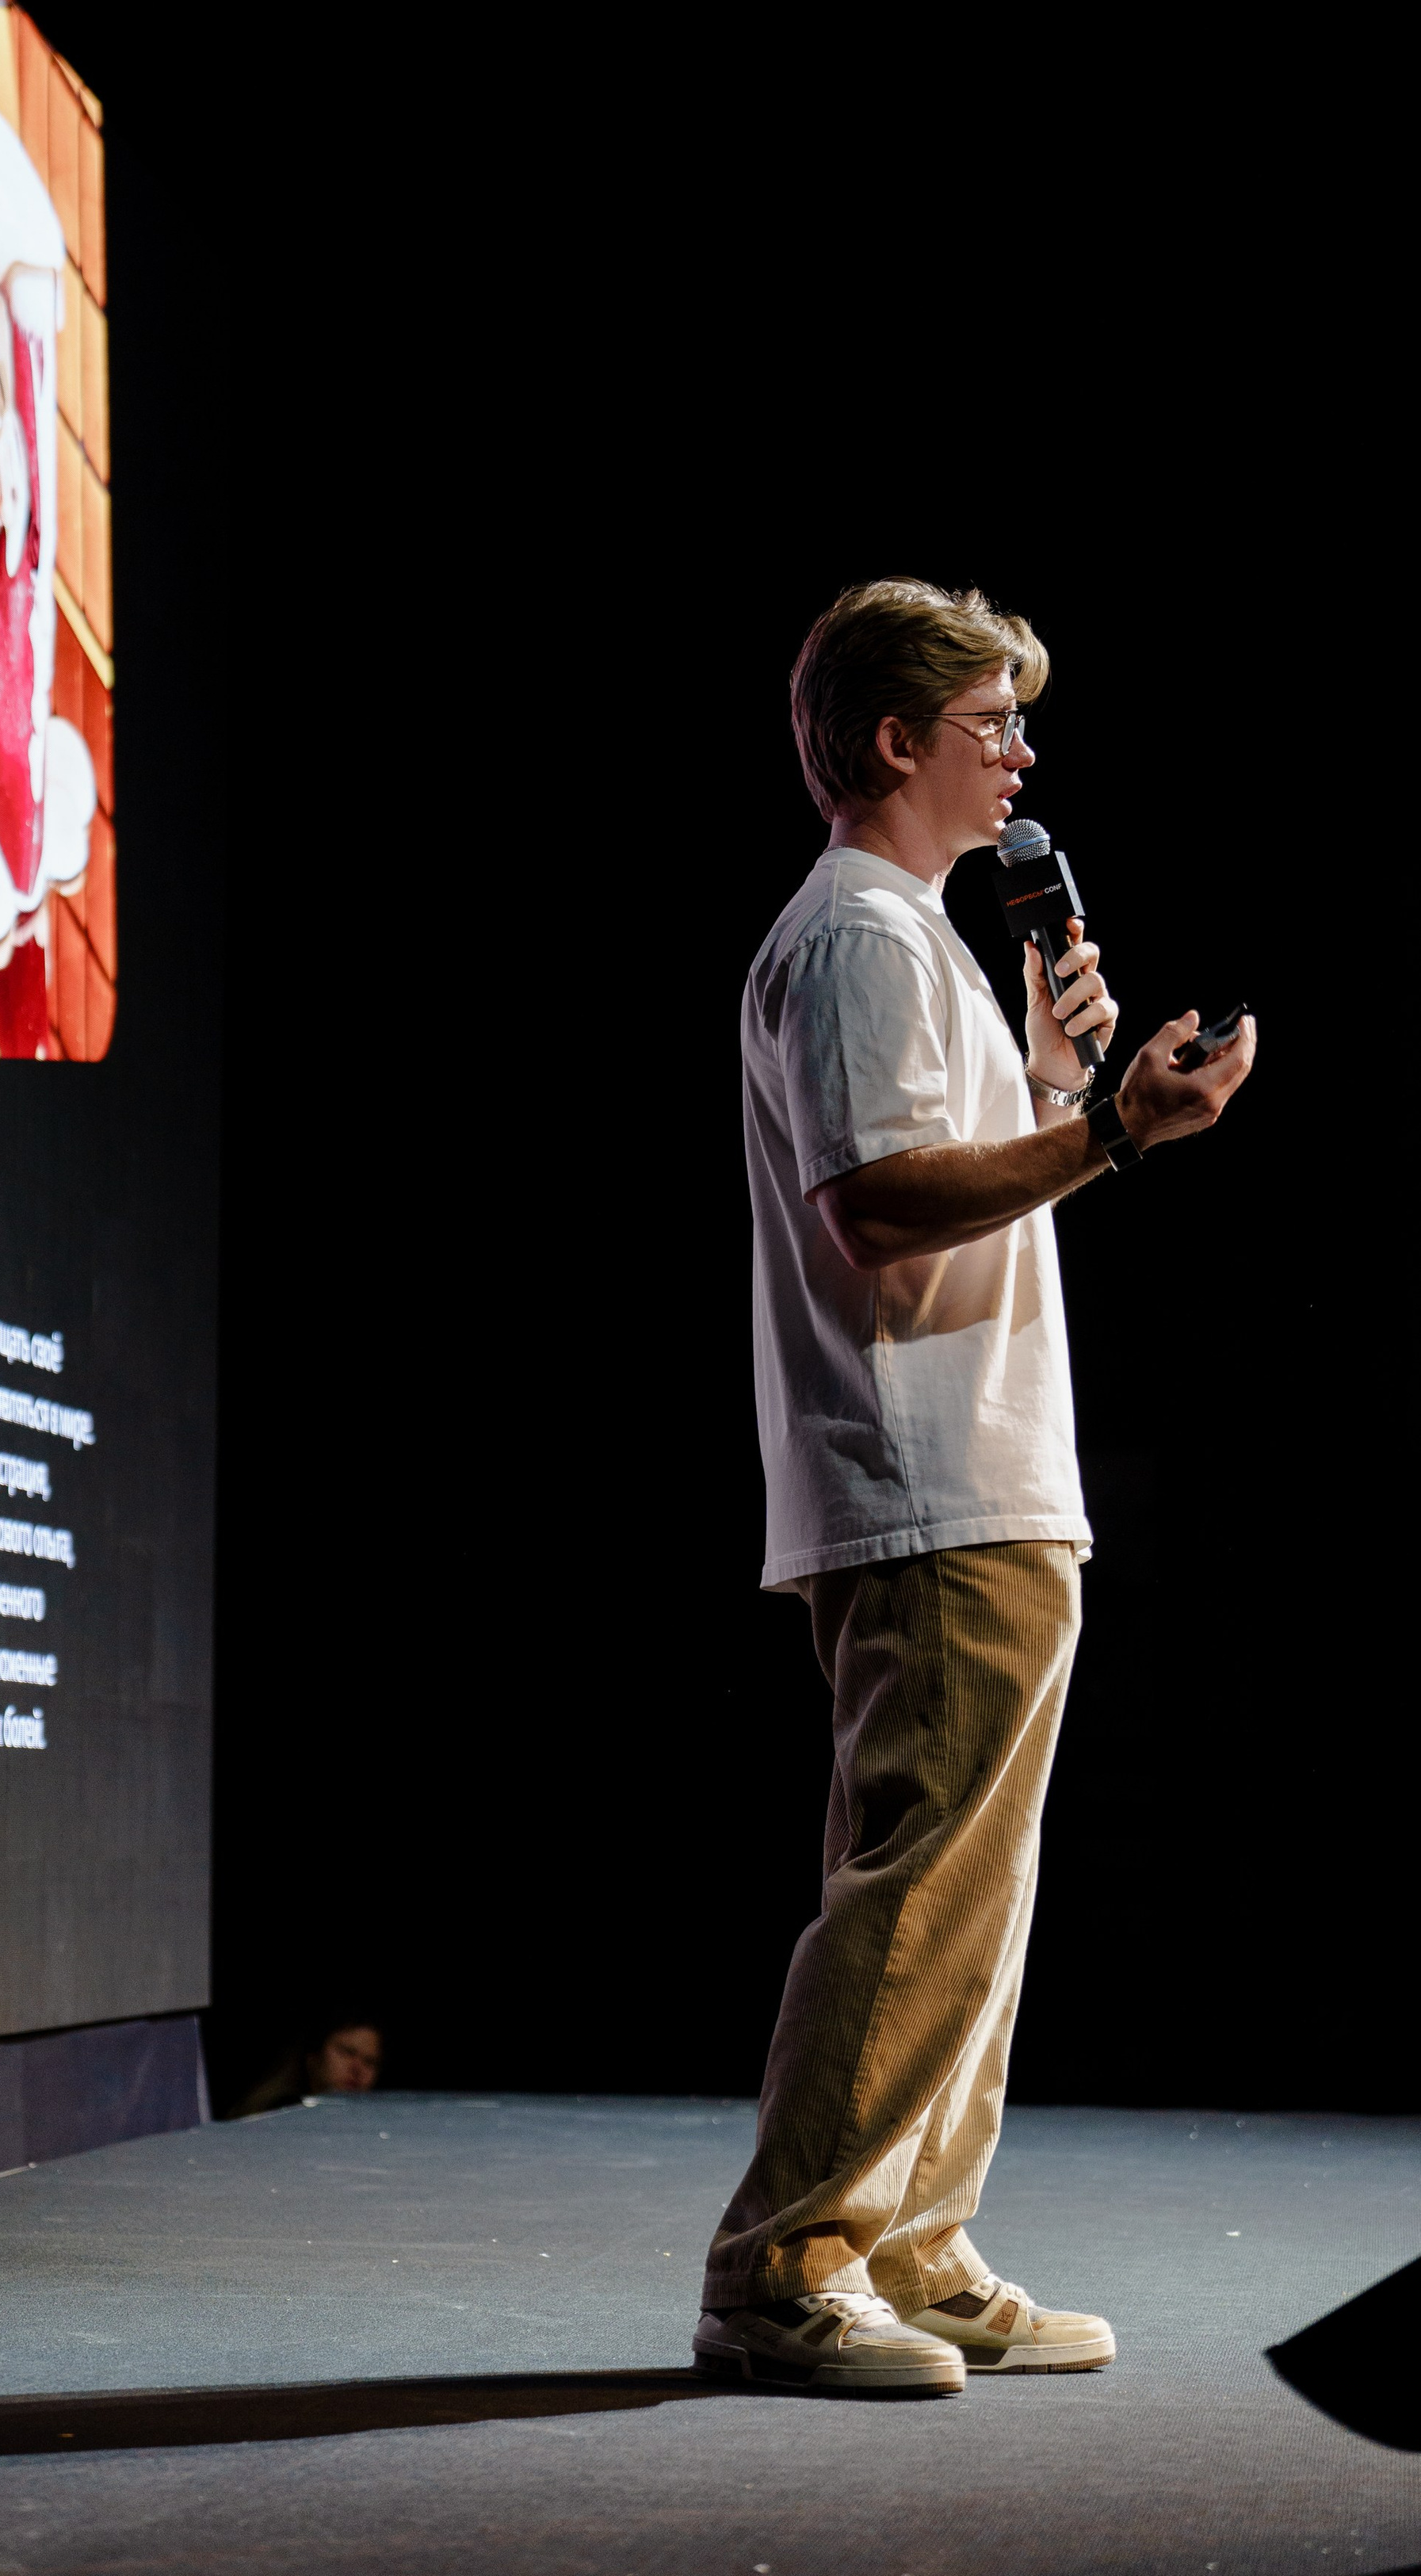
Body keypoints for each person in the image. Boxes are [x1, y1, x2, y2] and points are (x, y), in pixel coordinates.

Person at [693, 579, 1254, 2398]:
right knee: (916, 1886)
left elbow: (936, 1202)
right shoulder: (852, 933)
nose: (1019, 754)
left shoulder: (909, 938)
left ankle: (909, 2243)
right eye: (987, 723)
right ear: (889, 740)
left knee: (974, 1899)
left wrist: (1053, 1083)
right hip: (925, 1481)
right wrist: (1100, 1131)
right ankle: (783, 2264)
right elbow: (871, 1214)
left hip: (985, 1474)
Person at [233, 2011, 384, 2117]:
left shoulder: (373, 2125)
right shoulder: (272, 2114)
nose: (358, 2069)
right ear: (314, 2055)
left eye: (370, 2062)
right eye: (346, 2052)